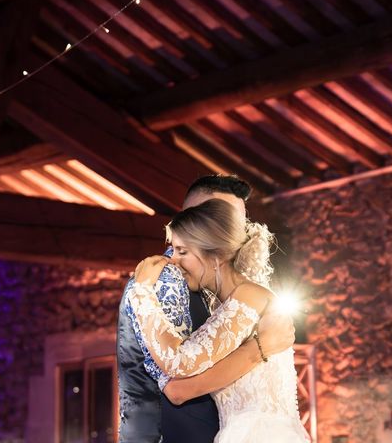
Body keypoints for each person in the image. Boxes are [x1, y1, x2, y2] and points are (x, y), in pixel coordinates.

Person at [116, 175, 295, 442]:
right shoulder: (169, 281)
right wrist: (259, 350)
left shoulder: (243, 296)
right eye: (222, 218)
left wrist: (140, 293)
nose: (236, 231)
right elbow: (173, 384)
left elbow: (181, 373)